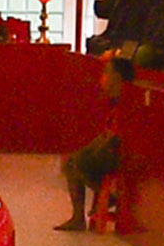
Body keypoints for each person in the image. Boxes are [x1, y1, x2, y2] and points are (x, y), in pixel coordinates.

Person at [59, 50, 140, 231]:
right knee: (70, 161)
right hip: (109, 147)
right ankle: (78, 217)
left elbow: (117, 136)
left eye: (106, 73)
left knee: (80, 161)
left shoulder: (129, 100)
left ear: (117, 77)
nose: (102, 78)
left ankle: (111, 198)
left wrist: (90, 152)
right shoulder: (112, 100)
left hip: (121, 153)